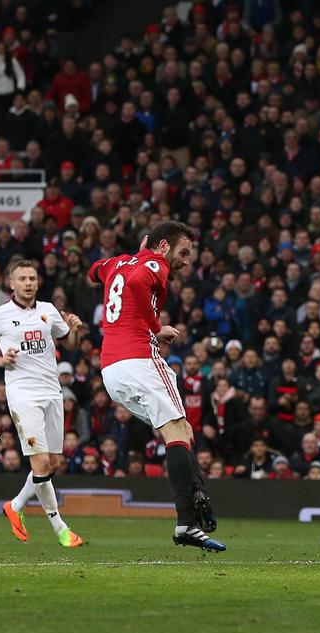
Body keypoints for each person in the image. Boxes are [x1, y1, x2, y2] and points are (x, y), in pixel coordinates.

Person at [88, 220, 224, 551]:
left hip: (111, 370)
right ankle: (187, 522)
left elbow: (94, 271)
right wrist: (156, 326)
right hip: (139, 360)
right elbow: (137, 280)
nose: (187, 260)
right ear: (162, 246)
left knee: (179, 432)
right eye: (184, 252)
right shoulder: (154, 264)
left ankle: (193, 501)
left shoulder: (118, 261)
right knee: (179, 430)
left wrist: (130, 259)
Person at [0, 260, 85, 547]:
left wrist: (74, 329)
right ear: (11, 283)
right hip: (23, 394)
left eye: (32, 278)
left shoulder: (48, 311)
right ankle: (60, 527)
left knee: (54, 463)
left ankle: (15, 505)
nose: (28, 283)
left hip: (52, 392)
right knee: (41, 462)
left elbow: (69, 343)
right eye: (22, 278)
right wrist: (0, 360)